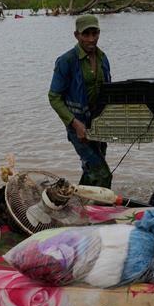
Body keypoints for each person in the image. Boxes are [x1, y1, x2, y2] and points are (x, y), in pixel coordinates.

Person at [48, 15, 112, 188]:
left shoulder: (103, 58)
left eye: (95, 33)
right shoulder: (66, 61)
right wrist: (75, 124)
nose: (91, 39)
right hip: (77, 127)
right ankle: (103, 212)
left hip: (98, 124)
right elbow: (54, 97)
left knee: (92, 170)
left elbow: (108, 92)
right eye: (86, 34)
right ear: (76, 35)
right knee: (102, 173)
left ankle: (78, 204)